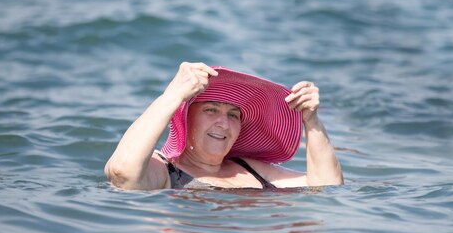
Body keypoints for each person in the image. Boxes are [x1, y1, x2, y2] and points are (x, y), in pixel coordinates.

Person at [105, 62, 343, 190]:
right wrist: (173, 95)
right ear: (186, 118)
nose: (223, 123)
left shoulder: (248, 169)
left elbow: (327, 187)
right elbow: (122, 173)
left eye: (233, 115)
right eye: (210, 110)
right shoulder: (164, 170)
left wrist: (311, 120)